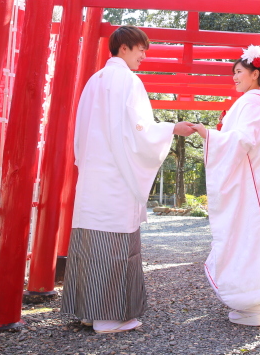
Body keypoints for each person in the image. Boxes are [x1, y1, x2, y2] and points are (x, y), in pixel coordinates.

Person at [62, 25, 194, 334]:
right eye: (140, 49)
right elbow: (139, 131)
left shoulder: (94, 81)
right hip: (116, 176)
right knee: (115, 245)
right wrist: (172, 128)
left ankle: (89, 312)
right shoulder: (128, 81)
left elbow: (81, 132)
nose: (144, 56)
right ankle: (109, 318)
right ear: (124, 48)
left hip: (93, 175)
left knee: (89, 243)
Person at [190, 45, 260, 326]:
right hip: (259, 189)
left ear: (254, 73)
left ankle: (248, 304)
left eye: (238, 72)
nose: (234, 77)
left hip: (248, 188)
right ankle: (258, 302)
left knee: (242, 241)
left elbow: (241, 140)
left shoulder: (248, 104)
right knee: (255, 240)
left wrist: (206, 133)